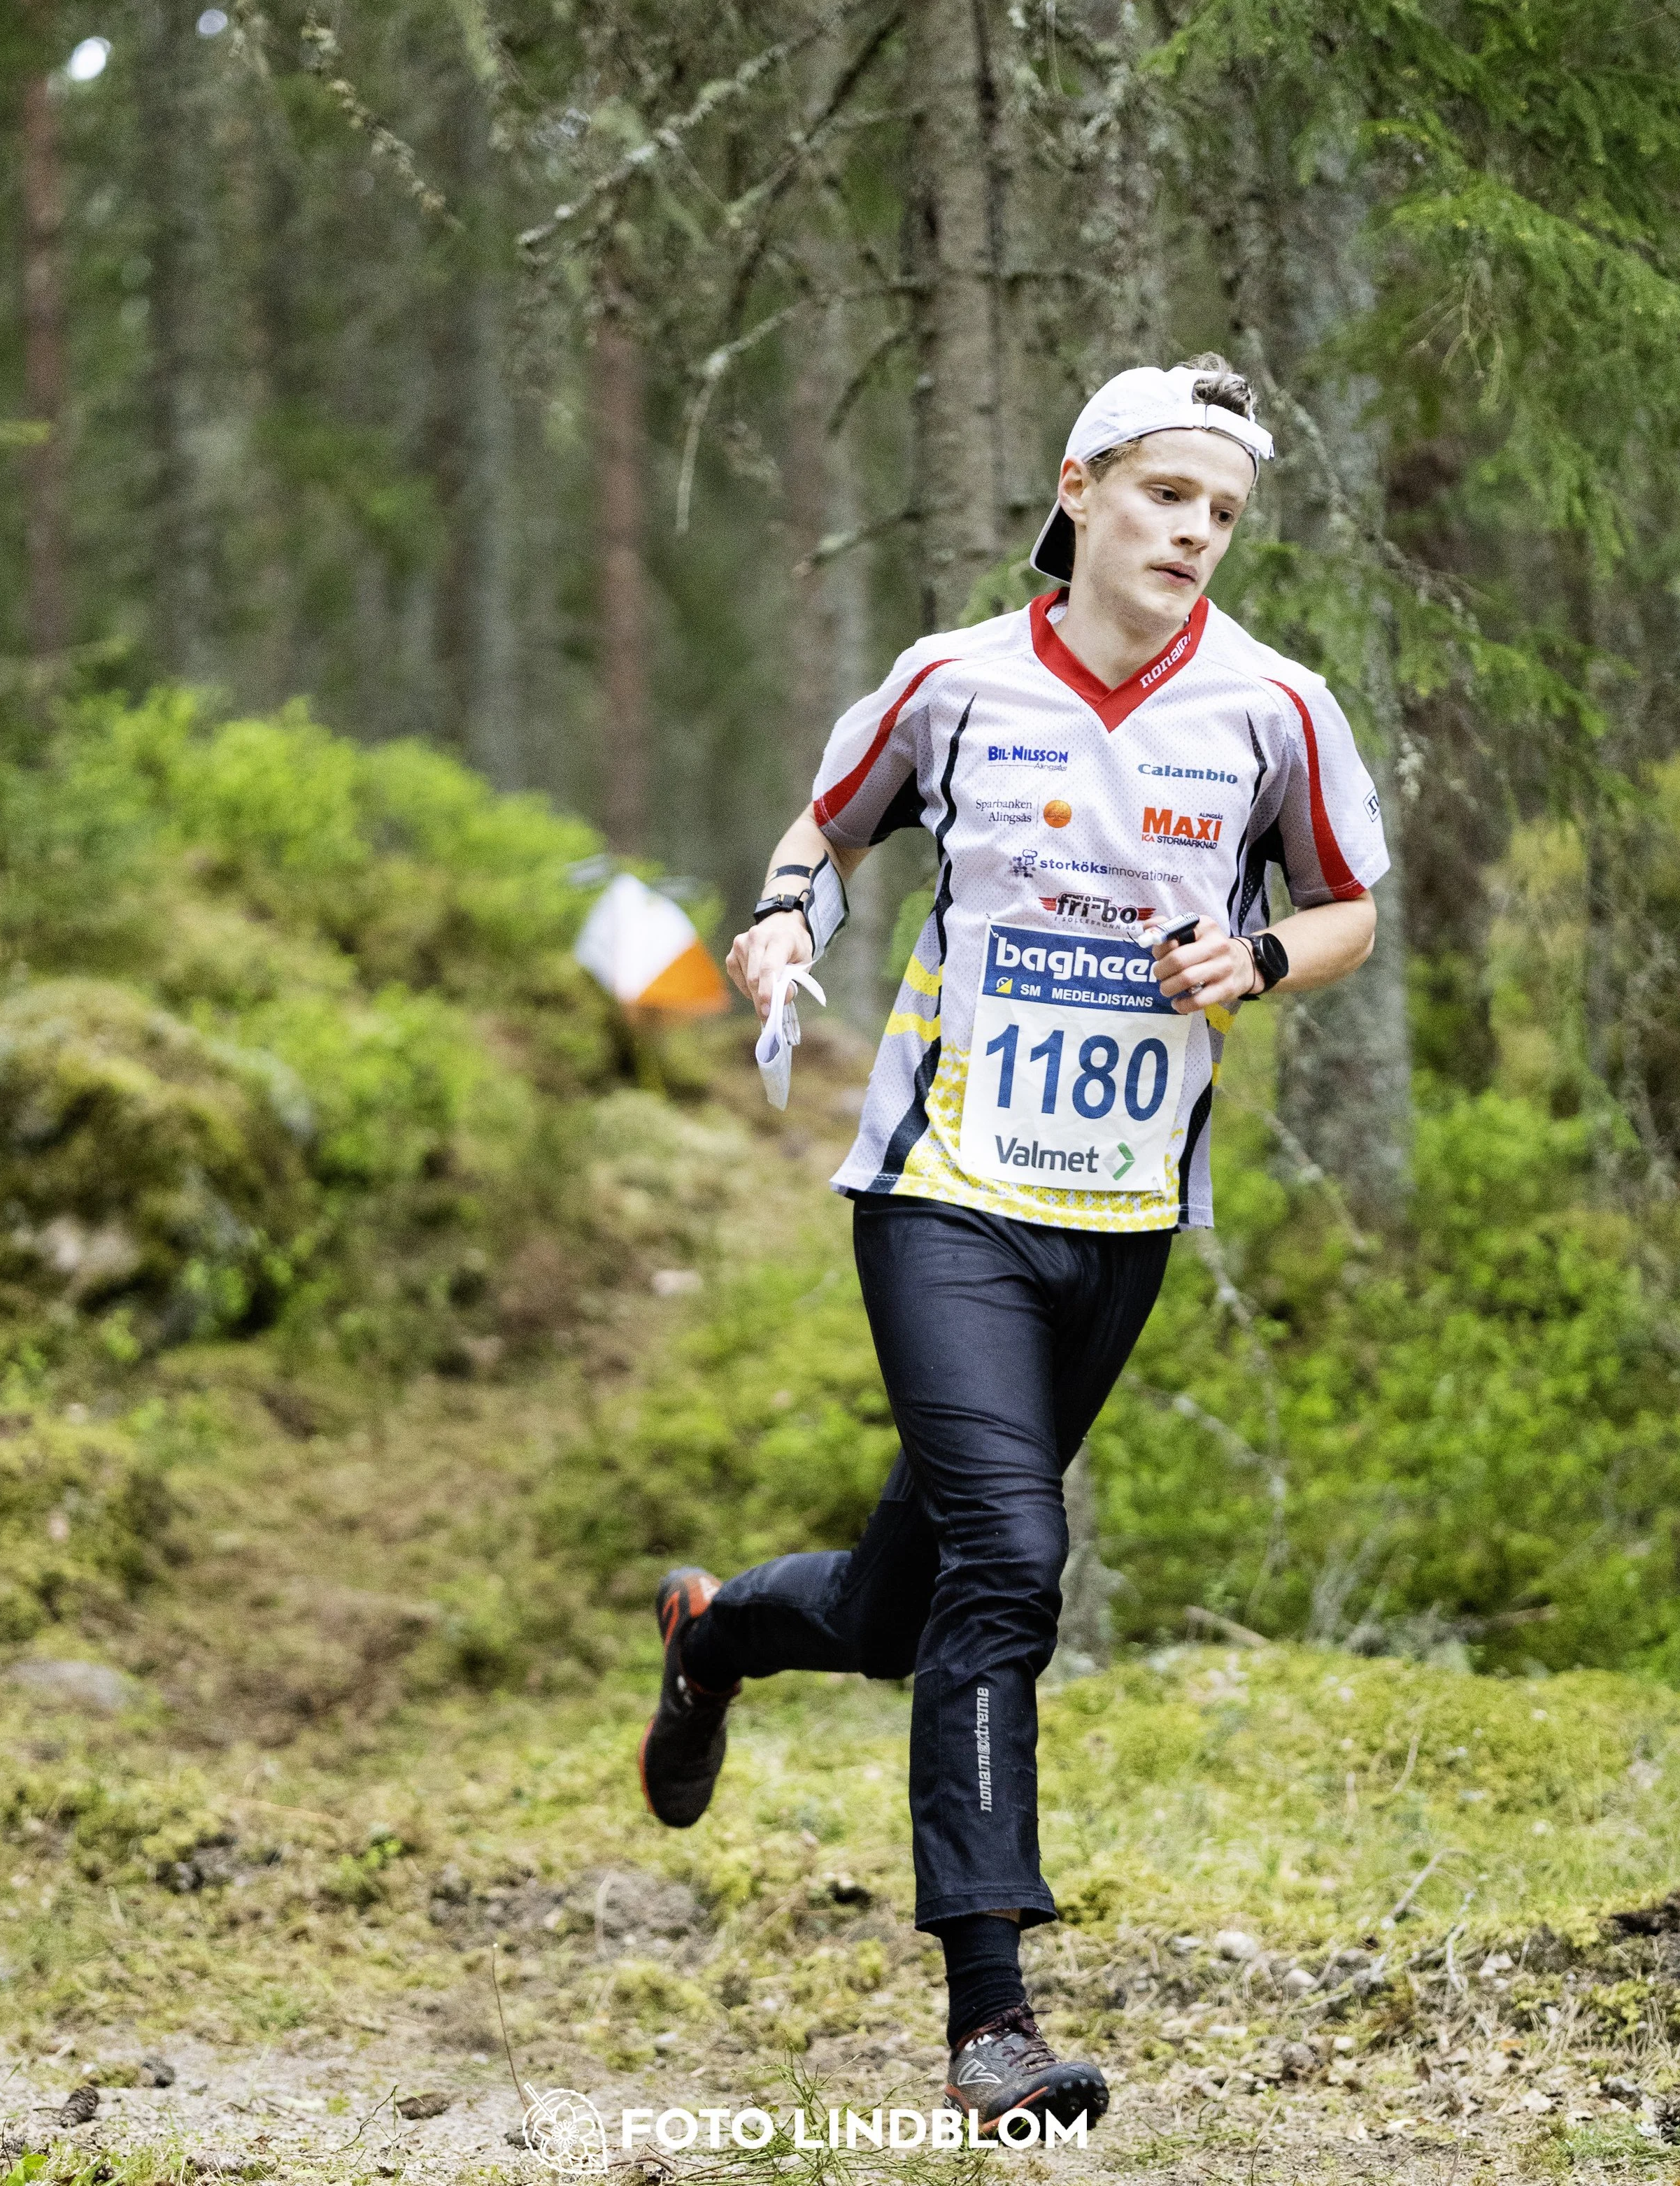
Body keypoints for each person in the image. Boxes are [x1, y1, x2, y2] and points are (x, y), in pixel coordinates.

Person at [636, 357, 1386, 2137]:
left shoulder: (1275, 709)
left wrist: (1261, 961)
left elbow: (1347, 901)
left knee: (912, 1601)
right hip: (940, 1187)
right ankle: (990, 2013)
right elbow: (809, 847)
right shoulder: (952, 682)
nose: (1190, 533)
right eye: (1160, 497)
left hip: (1118, 1211)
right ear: (1079, 490)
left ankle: (715, 1627)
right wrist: (770, 930)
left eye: (1218, 512)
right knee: (1013, 1555)